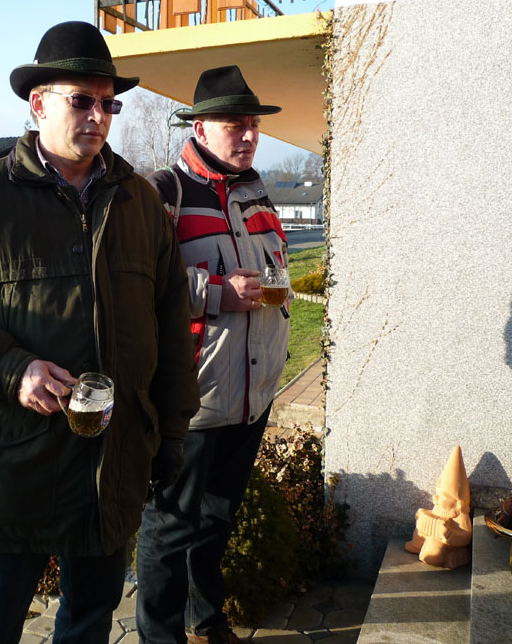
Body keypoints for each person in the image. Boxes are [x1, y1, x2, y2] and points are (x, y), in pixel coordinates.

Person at [0, 20, 200, 644]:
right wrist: (14, 370)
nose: (98, 116)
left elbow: (171, 326)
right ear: (38, 104)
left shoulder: (140, 203)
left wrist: (169, 434)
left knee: (88, 624)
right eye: (81, 100)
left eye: (109, 103)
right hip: (18, 468)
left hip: (112, 465)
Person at [137, 65, 291, 644]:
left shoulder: (257, 194)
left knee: (218, 518)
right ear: (200, 128)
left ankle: (205, 618)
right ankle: (161, 636)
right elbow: (138, 285)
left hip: (252, 398)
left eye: (253, 125)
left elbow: (276, 271)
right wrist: (217, 292)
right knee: (169, 528)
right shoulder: (164, 193)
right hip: (195, 400)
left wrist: (276, 288)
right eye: (234, 125)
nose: (248, 136)